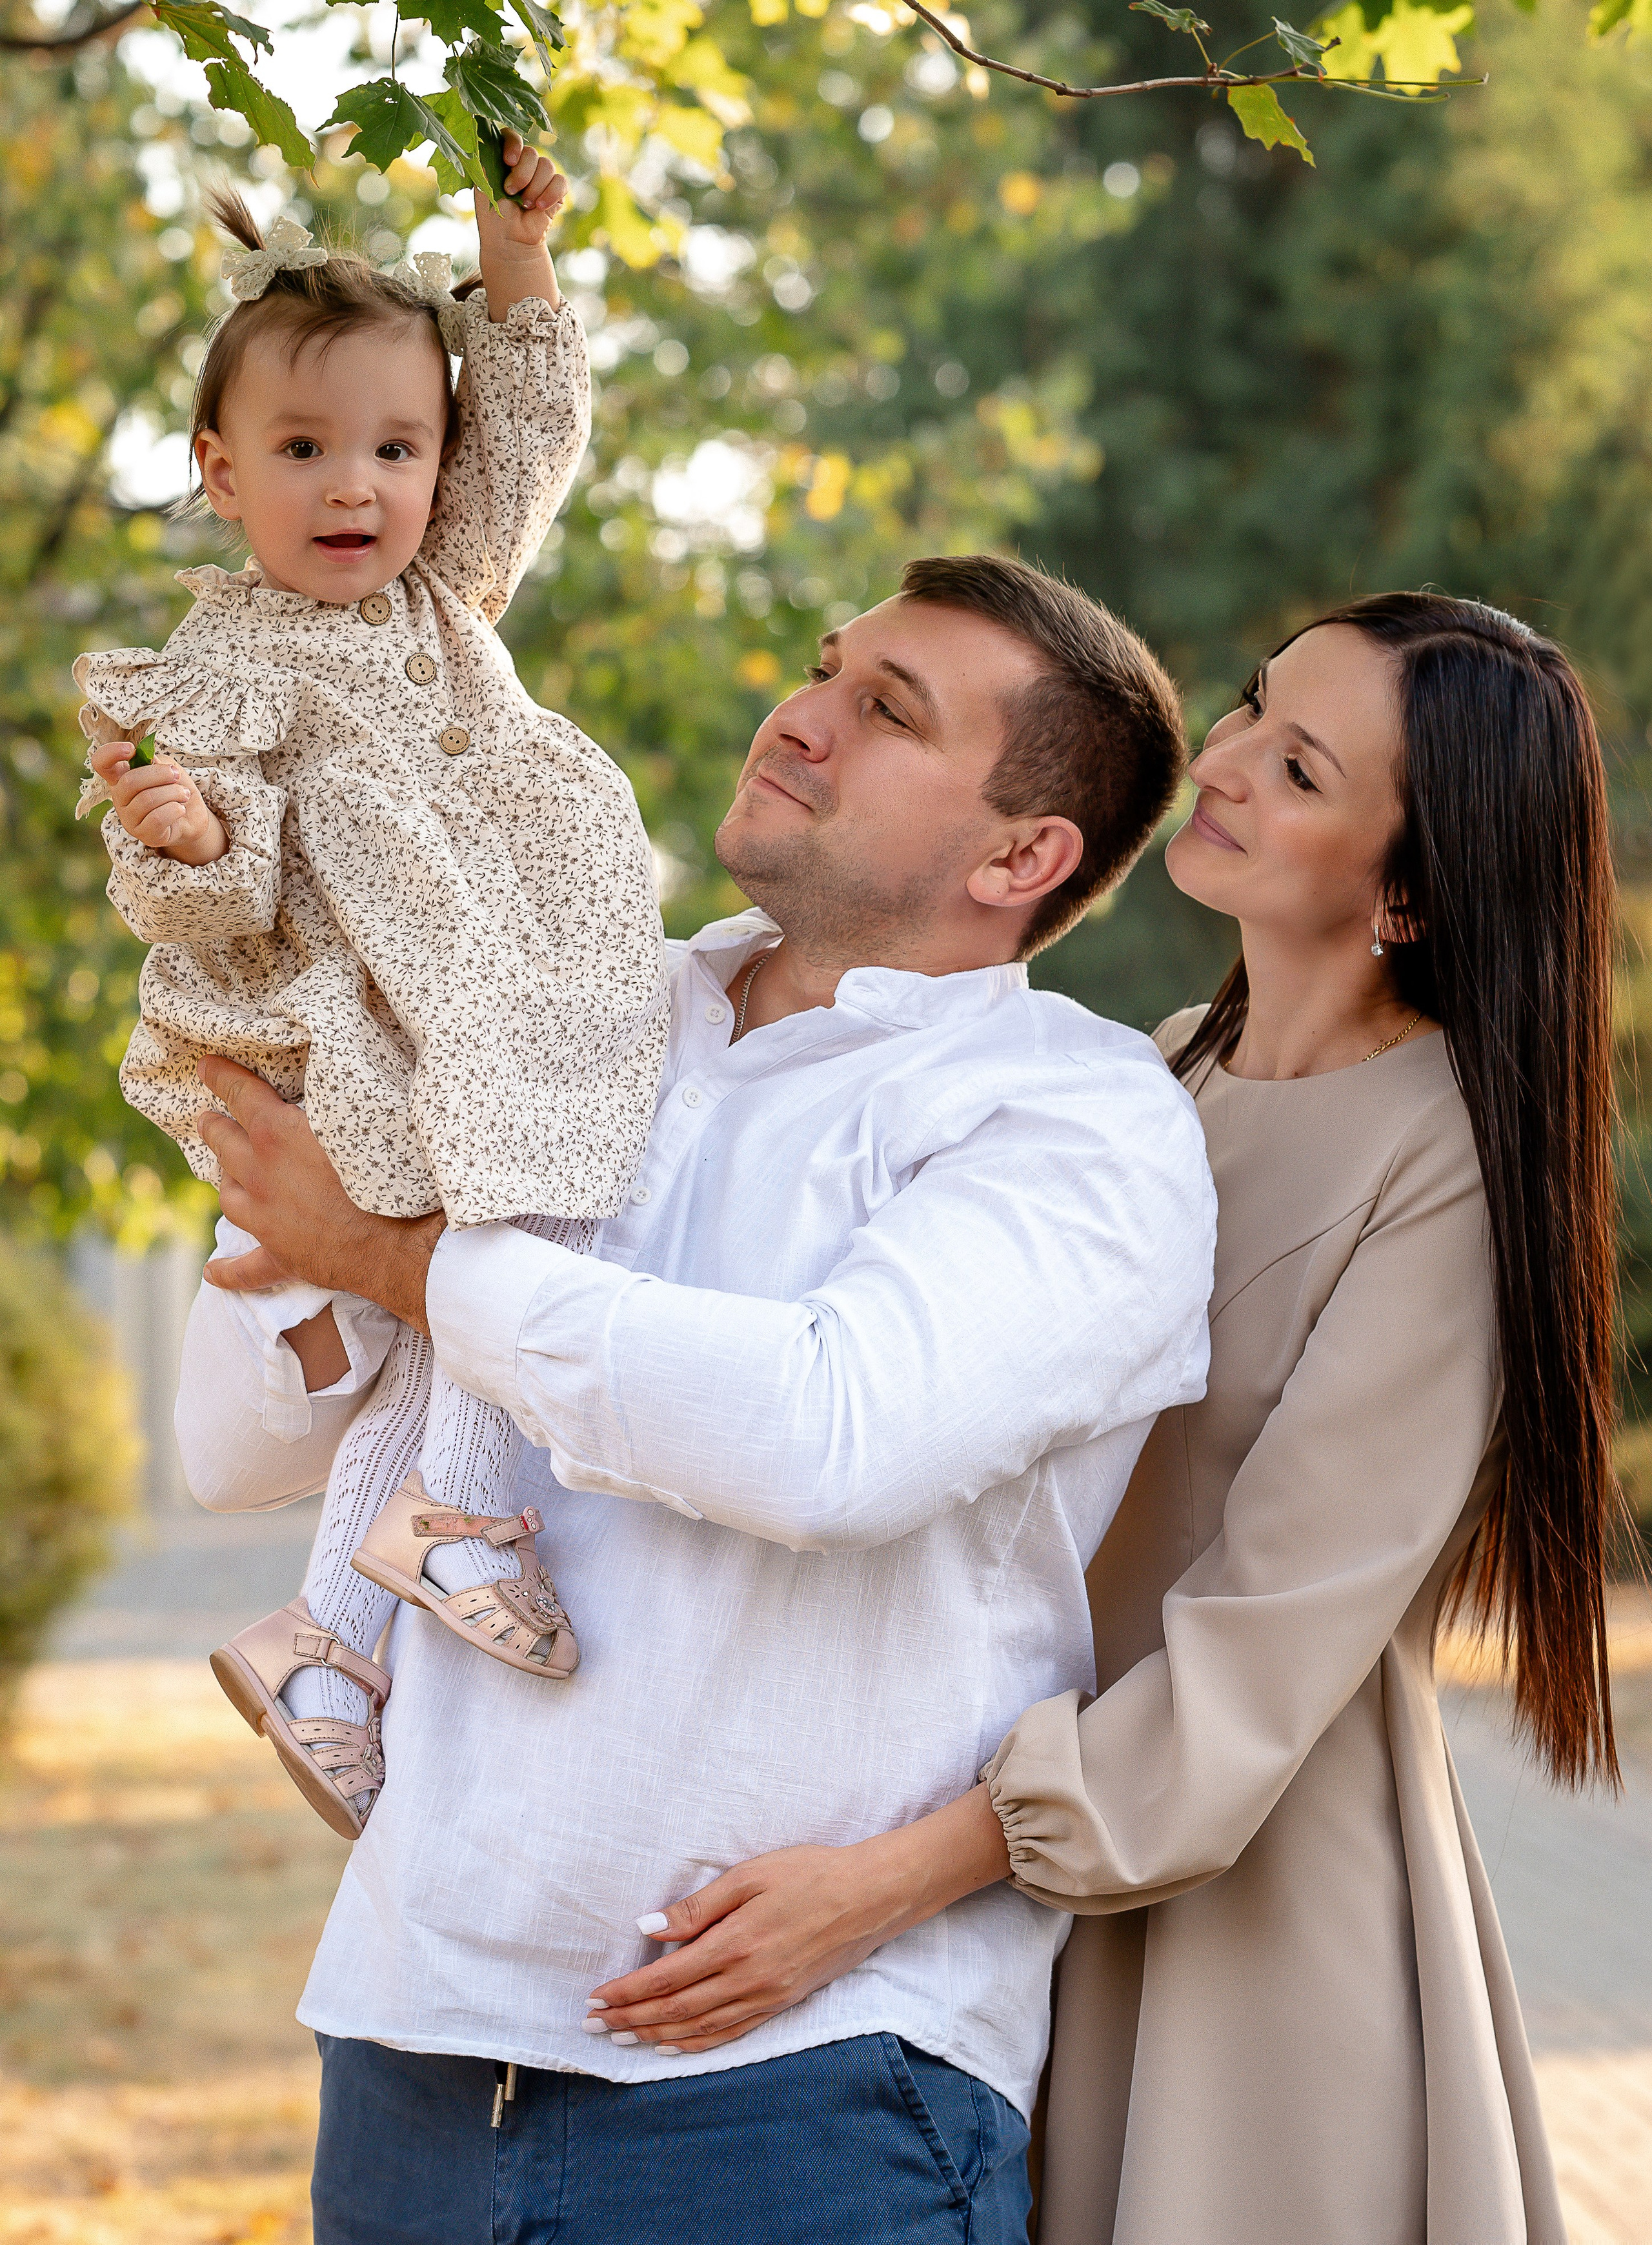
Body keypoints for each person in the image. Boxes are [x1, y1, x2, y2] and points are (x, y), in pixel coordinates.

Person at [174, 554, 1218, 2244]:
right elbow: (236, 1448)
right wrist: (317, 1171)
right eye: (824, 668)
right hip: (411, 2047)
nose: (800, 717)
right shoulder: (562, 1016)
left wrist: (404, 1259)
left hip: (805, 2092)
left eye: (887, 712)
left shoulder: (1074, 1120)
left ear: (1023, 857)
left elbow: (823, 1438)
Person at [581, 592, 1620, 2245]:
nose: (1215, 766)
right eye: (1247, 709)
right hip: (1015, 1881)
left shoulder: (1439, 1166)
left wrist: (881, 1884)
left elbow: (1263, 1646)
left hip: (1246, 1895)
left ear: (1409, 887)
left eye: (1294, 767)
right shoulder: (1151, 1078)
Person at [74, 145, 669, 1838]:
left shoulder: (441, 592)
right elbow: (213, 891)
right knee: (494, 1273)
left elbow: (533, 437)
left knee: (448, 1316)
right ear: (221, 468)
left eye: (400, 450)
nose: (359, 488)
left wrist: (515, 258)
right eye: (308, 450)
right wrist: (185, 827)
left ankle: (330, 1654)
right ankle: (441, 1540)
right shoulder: (231, 661)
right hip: (368, 1022)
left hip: (492, 1002)